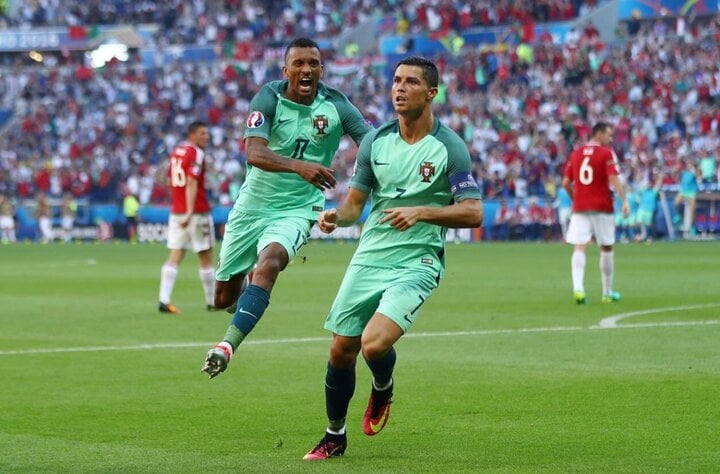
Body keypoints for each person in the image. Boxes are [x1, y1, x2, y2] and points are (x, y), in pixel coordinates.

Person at [302, 56, 483, 461]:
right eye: (397, 80)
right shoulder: (375, 141)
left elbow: (473, 212)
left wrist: (422, 212)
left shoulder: (450, 147)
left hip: (417, 260)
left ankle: (382, 386)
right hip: (370, 255)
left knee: (373, 344)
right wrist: (336, 217)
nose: (400, 88)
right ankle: (334, 436)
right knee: (340, 349)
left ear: (431, 93)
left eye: (411, 82)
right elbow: (354, 205)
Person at [200, 38, 373, 377]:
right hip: (252, 207)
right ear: (286, 70)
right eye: (299, 64)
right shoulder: (269, 97)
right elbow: (254, 152)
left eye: (313, 64)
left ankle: (226, 347)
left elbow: (371, 142)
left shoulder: (336, 105)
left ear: (322, 69)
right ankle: (246, 294)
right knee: (223, 299)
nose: (306, 69)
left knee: (270, 264)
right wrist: (299, 166)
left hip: (298, 209)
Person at [562, 122, 629, 304]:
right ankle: (607, 293)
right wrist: (624, 200)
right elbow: (613, 177)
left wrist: (575, 198)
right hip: (602, 206)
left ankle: (578, 289)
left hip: (580, 207)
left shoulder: (576, 153)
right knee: (606, 247)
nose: (611, 139)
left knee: (579, 246)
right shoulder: (606, 153)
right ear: (599, 135)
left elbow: (566, 182)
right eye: (609, 135)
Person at [158, 121, 216, 314]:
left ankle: (164, 300)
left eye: (207, 133)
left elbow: (169, 180)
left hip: (177, 211)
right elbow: (191, 182)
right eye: (202, 133)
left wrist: (178, 203)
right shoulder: (196, 153)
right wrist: (190, 211)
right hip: (196, 213)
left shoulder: (176, 152)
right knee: (205, 256)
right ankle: (212, 301)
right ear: (192, 135)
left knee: (175, 255)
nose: (206, 137)